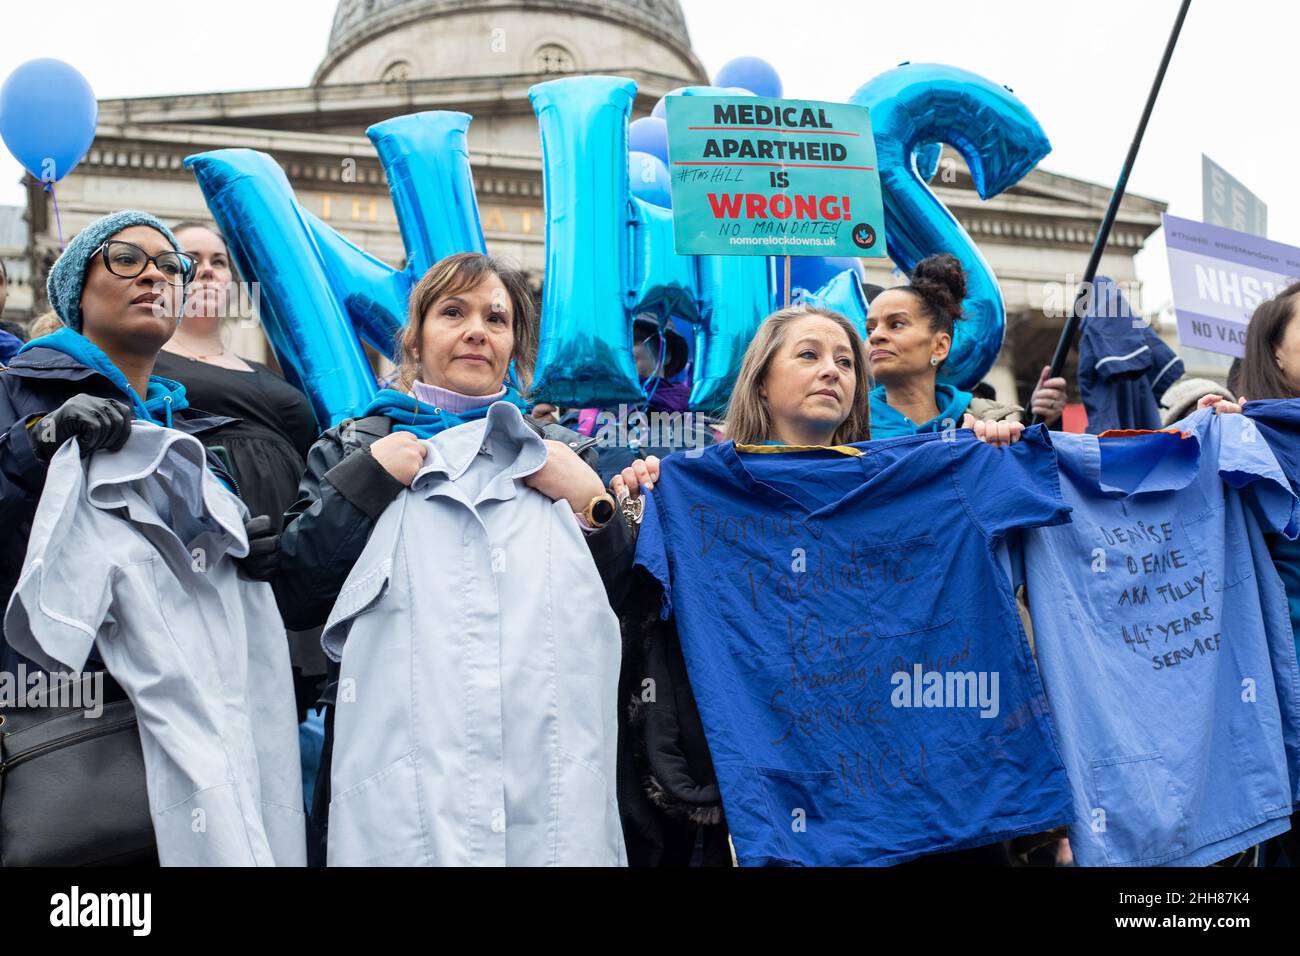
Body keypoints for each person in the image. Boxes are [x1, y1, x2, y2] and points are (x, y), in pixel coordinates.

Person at [273, 251, 635, 863]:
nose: (476, 330)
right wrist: (366, 482)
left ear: (515, 345)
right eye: (453, 313)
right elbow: (299, 591)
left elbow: (620, 596)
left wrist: (591, 502)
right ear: (414, 338)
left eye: (496, 319)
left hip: (536, 762)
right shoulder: (354, 444)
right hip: (395, 760)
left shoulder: (566, 453)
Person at [0, 209, 271, 675]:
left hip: (186, 713)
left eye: (170, 266)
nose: (153, 274)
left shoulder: (197, 437)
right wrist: (37, 442)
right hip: (50, 717)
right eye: (125, 259)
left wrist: (253, 555)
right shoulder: (11, 391)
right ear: (77, 294)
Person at [154, 222, 317, 524]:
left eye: (218, 261)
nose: (207, 270)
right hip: (209, 535)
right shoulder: (147, 361)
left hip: (298, 539)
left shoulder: (264, 371)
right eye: (190, 260)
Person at [864, 254, 1064, 447]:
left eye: (896, 324)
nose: (874, 336)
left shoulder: (985, 426)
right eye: (870, 329)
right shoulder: (845, 427)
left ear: (940, 346)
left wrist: (1015, 441)